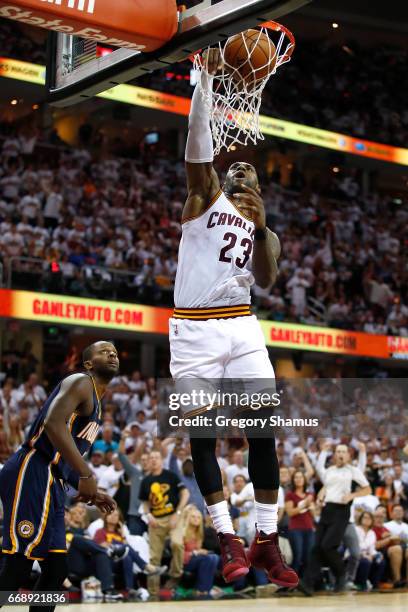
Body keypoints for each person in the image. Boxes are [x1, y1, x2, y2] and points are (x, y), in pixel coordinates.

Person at [169, 47, 297, 589]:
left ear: (260, 189)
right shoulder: (204, 198)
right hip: (194, 329)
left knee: (261, 433)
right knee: (203, 440)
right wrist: (203, 82)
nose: (239, 167)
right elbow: (199, 149)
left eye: (249, 168)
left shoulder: (263, 227)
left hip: (242, 324)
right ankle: (227, 539)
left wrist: (266, 229)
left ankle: (266, 542)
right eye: (234, 165)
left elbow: (267, 279)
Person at [0, 341, 118, 611]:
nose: (111, 354)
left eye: (114, 351)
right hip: (32, 469)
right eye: (103, 351)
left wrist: (86, 485)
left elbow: (63, 459)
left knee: (56, 569)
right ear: (88, 363)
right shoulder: (81, 382)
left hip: (52, 478)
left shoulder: (97, 402)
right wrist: (86, 473)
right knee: (18, 564)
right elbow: (53, 423)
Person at [300, 443, 371, 595]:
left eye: (343, 451)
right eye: (338, 451)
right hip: (327, 509)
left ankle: (341, 575)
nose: (340, 454)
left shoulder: (353, 471)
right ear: (334, 455)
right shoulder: (330, 470)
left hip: (342, 511)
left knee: (328, 546)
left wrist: (352, 495)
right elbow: (320, 471)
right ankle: (308, 583)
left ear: (348, 455)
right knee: (317, 547)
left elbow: (367, 489)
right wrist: (324, 451)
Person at [139, 450, 190, 598]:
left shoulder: (171, 476)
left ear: (161, 460)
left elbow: (185, 494)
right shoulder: (146, 480)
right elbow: (145, 502)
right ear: (148, 462)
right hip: (156, 520)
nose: (154, 460)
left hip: (174, 516)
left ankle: (175, 574)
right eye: (151, 458)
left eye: (156, 457)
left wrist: (178, 513)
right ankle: (152, 593)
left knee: (177, 543)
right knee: (154, 557)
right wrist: (148, 515)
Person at [93, 509, 167, 599]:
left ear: (119, 519)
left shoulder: (119, 534)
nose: (113, 517)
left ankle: (130, 589)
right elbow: (102, 547)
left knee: (127, 557)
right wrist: (119, 546)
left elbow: (126, 549)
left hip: (121, 562)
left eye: (116, 515)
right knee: (126, 550)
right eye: (111, 514)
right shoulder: (100, 531)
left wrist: (123, 535)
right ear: (105, 517)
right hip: (108, 562)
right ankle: (146, 567)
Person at [182, 505, 220, 598]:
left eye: (198, 517)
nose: (196, 519)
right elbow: (179, 554)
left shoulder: (199, 534)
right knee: (207, 559)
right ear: (188, 518)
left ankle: (205, 589)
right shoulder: (182, 532)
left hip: (195, 560)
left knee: (214, 557)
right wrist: (196, 552)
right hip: (185, 562)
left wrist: (200, 551)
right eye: (193, 517)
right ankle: (202, 589)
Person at [285, 470, 316, 576]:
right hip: (296, 529)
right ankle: (292, 580)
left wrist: (312, 506)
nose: (299, 479)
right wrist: (304, 505)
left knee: (308, 556)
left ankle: (304, 581)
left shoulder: (309, 495)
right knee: (298, 555)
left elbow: (314, 514)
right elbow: (290, 513)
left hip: (309, 528)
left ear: (304, 480)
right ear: (293, 480)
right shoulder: (290, 495)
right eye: (296, 477)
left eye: (301, 477)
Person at [373, 506, 407, 587]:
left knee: (401, 549)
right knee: (396, 549)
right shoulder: (371, 529)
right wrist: (389, 539)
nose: (379, 519)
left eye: (381, 517)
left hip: (390, 549)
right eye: (377, 517)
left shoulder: (385, 529)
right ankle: (397, 580)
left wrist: (394, 538)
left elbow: (395, 541)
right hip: (377, 551)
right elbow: (375, 546)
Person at [354, 511, 385, 590]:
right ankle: (362, 584)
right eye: (365, 517)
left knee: (381, 561)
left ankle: (375, 585)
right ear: (360, 519)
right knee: (365, 561)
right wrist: (365, 554)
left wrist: (376, 555)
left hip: (368, 555)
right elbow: (357, 546)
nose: (367, 520)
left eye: (369, 518)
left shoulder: (372, 533)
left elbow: (372, 549)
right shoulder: (355, 530)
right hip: (355, 555)